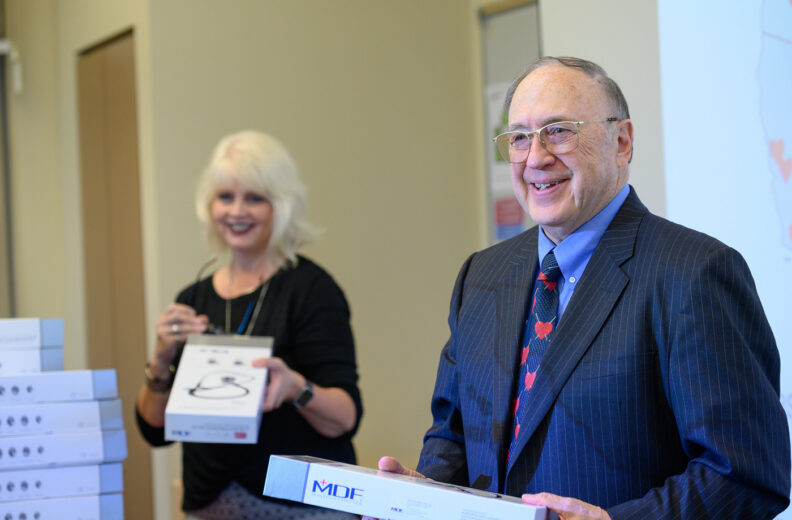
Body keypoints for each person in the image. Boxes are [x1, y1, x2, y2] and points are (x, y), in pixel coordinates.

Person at [370, 57, 791, 519]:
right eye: (520, 138)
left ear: (622, 141)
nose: (535, 158)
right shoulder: (481, 275)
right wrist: (421, 497)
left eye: (559, 131)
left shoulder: (695, 272)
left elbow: (747, 474)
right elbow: (452, 436)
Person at [136, 130, 362, 520]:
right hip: (211, 504)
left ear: (281, 206)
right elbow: (155, 431)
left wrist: (296, 388)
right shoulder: (193, 298)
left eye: (254, 198)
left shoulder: (312, 290)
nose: (237, 211)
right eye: (226, 197)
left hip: (299, 506)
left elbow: (345, 418)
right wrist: (160, 360)